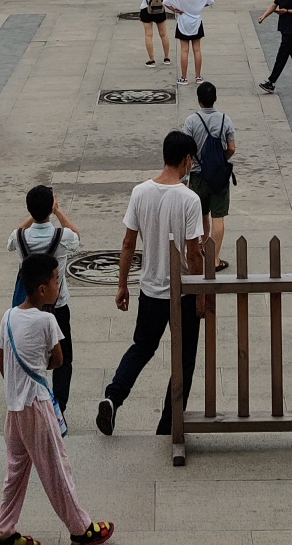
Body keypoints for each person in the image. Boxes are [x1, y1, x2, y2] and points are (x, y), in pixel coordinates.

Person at [0, 254, 114, 545]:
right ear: (42, 290)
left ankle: (5, 531)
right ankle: (80, 528)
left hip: (15, 408)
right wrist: (37, 368)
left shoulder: (8, 316)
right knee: (56, 468)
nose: (60, 284)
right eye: (57, 279)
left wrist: (17, 383)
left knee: (16, 470)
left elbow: (1, 360)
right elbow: (58, 360)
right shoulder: (47, 320)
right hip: (37, 405)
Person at [96, 131, 207, 439]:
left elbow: (128, 243)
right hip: (182, 291)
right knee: (184, 357)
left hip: (150, 288)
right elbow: (194, 252)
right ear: (186, 160)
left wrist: (122, 285)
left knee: (142, 347)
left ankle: (113, 396)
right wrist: (200, 295)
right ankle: (168, 424)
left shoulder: (140, 192)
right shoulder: (189, 199)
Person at [7, 186, 80, 412]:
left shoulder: (20, 237)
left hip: (29, 307)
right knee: (63, 358)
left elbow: (11, 239)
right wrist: (58, 212)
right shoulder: (62, 236)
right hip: (57, 306)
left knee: (31, 354)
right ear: (50, 208)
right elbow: (76, 235)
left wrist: (33, 216)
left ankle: (31, 400)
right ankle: (59, 407)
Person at [183, 81, 236, 269]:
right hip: (219, 176)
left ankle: (203, 247)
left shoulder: (191, 121)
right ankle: (214, 259)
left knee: (201, 215)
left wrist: (185, 176)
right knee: (218, 217)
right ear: (215, 99)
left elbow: (186, 151)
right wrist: (223, 158)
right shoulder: (225, 120)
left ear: (199, 100)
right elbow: (231, 148)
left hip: (198, 175)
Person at [164, 0, 214, 87]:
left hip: (183, 22)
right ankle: (198, 77)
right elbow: (211, 1)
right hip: (196, 22)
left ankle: (184, 77)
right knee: (197, 50)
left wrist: (175, 10)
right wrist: (199, 7)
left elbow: (166, 2)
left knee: (184, 50)